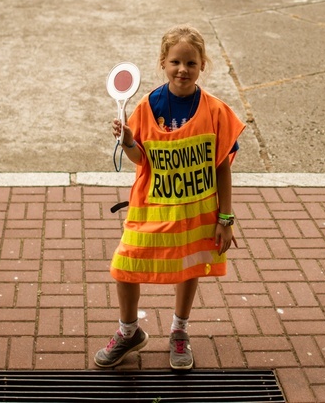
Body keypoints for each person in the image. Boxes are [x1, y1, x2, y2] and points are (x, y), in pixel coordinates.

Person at [94, 25, 246, 370]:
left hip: (196, 213)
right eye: (175, 61)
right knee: (125, 266)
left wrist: (225, 219)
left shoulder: (216, 111)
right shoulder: (149, 105)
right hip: (151, 210)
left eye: (191, 63)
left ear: (202, 65)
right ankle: (129, 331)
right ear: (163, 62)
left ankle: (179, 332)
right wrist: (130, 141)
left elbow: (222, 166)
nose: (183, 69)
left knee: (188, 267)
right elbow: (141, 159)